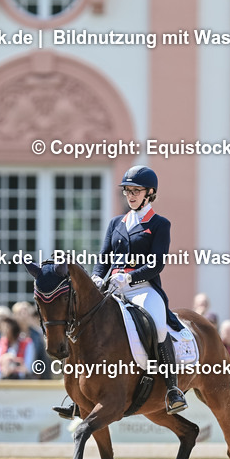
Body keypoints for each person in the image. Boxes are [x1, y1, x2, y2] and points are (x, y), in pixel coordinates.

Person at [94, 165, 187, 413]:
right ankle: (77, 393)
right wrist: (96, 277)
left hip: (142, 289)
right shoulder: (116, 223)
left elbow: (156, 263)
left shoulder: (159, 224)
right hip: (111, 287)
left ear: (149, 193)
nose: (131, 195)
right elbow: (104, 257)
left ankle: (172, 389)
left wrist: (129, 278)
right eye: (127, 191)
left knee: (157, 325)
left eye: (136, 191)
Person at [12, 300, 51, 378]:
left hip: (32, 378)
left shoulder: (37, 335)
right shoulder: (10, 334)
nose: (24, 315)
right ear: (14, 316)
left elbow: (42, 358)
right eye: (20, 313)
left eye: (26, 312)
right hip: (12, 378)